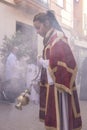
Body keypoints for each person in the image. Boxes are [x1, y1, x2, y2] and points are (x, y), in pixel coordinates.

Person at [33, 10, 82, 130]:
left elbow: (65, 62)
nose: (37, 31)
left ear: (47, 23)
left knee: (61, 118)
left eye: (38, 28)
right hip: (53, 85)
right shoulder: (50, 39)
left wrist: (44, 63)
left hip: (60, 88)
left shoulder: (58, 38)